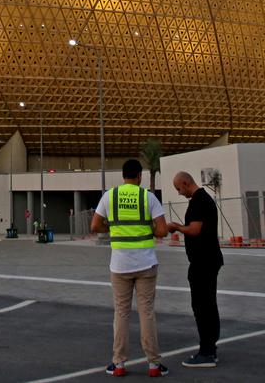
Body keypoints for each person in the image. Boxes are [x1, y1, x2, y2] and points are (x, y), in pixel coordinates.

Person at [90, 158, 170, 377]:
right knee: (147, 313)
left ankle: (119, 364)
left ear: (123, 175)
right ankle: (154, 364)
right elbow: (162, 231)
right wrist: (149, 228)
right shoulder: (148, 196)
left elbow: (95, 225)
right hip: (146, 263)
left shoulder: (110, 196)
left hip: (120, 265)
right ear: (140, 176)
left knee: (121, 313)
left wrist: (113, 227)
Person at [170, 171, 223, 369]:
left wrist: (176, 226)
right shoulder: (202, 199)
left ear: (185, 183)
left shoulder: (199, 201)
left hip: (204, 262)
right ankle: (210, 348)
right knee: (208, 305)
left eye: (178, 188)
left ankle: (207, 352)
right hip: (207, 260)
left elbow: (194, 229)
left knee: (202, 306)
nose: (178, 193)